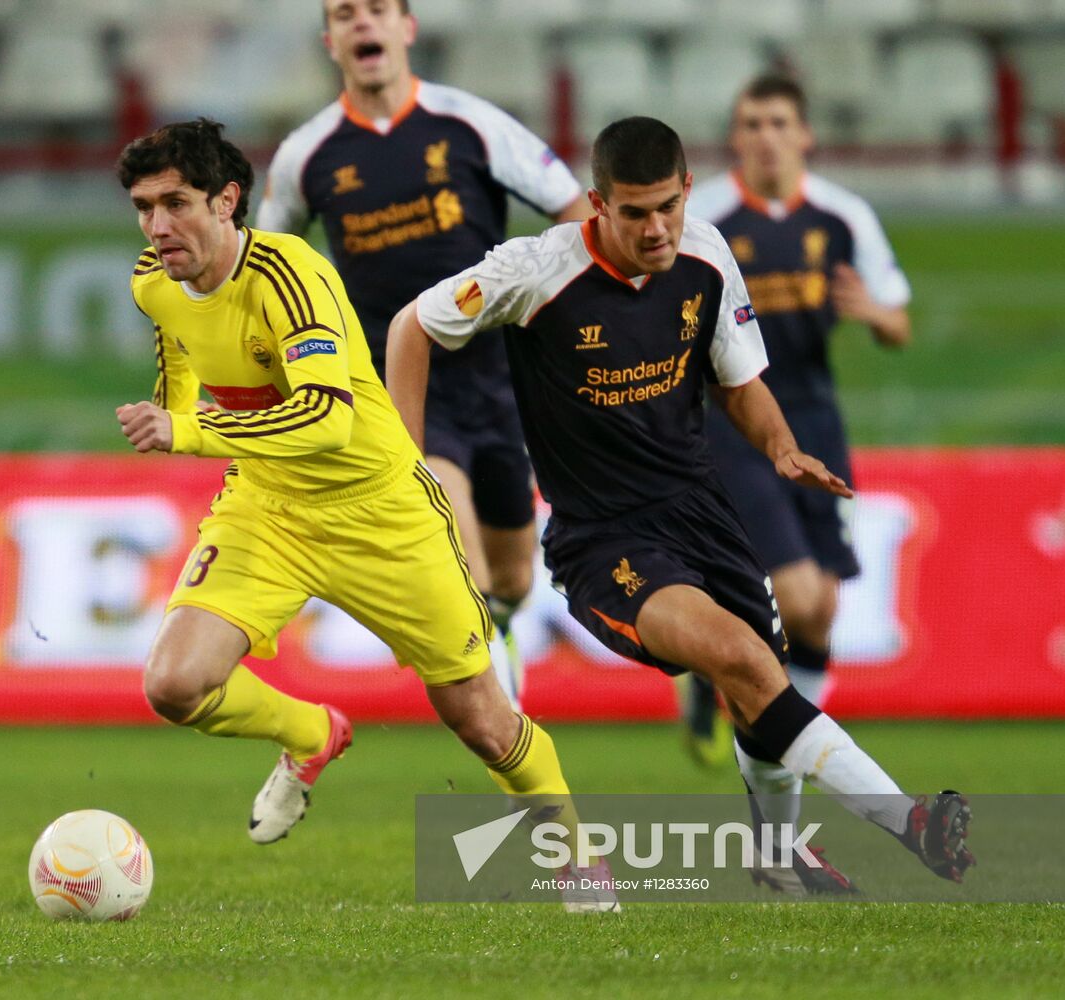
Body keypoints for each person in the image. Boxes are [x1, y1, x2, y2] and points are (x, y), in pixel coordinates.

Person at [385, 116, 973, 890]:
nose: (655, 228)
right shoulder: (533, 271)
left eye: (667, 205)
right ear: (596, 204)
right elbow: (410, 325)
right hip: (602, 539)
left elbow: (738, 380)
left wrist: (779, 445)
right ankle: (910, 822)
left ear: (687, 189)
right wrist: (405, 465)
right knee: (740, 659)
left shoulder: (705, 254)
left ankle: (774, 858)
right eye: (633, 213)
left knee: (757, 680)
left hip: (701, 513)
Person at [115, 119, 614, 911]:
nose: (156, 225)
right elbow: (177, 344)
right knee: (173, 684)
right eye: (144, 207)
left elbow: (326, 418)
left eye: (175, 203)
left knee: (483, 724)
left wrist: (191, 429)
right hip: (270, 508)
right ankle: (311, 735)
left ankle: (575, 855)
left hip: (381, 512)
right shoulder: (153, 277)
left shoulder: (290, 274)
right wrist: (168, 411)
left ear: (227, 200)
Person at [255, 0, 592, 709]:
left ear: (406, 28)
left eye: (376, 10)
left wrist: (560, 302)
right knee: (455, 560)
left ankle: (499, 638)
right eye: (345, 14)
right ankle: (510, 740)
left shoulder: (469, 124)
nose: (362, 24)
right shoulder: (306, 155)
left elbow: (573, 207)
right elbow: (267, 268)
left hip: (500, 379)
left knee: (511, 579)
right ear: (330, 41)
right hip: (399, 385)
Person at [679, 74, 913, 765]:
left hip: (815, 419)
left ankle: (751, 715)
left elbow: (896, 323)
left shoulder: (841, 217)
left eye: (779, 123)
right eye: (751, 124)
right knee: (792, 590)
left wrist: (872, 313)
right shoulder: (707, 220)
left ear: (805, 135)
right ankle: (780, 752)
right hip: (734, 422)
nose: (765, 138)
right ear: (734, 137)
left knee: (819, 613)